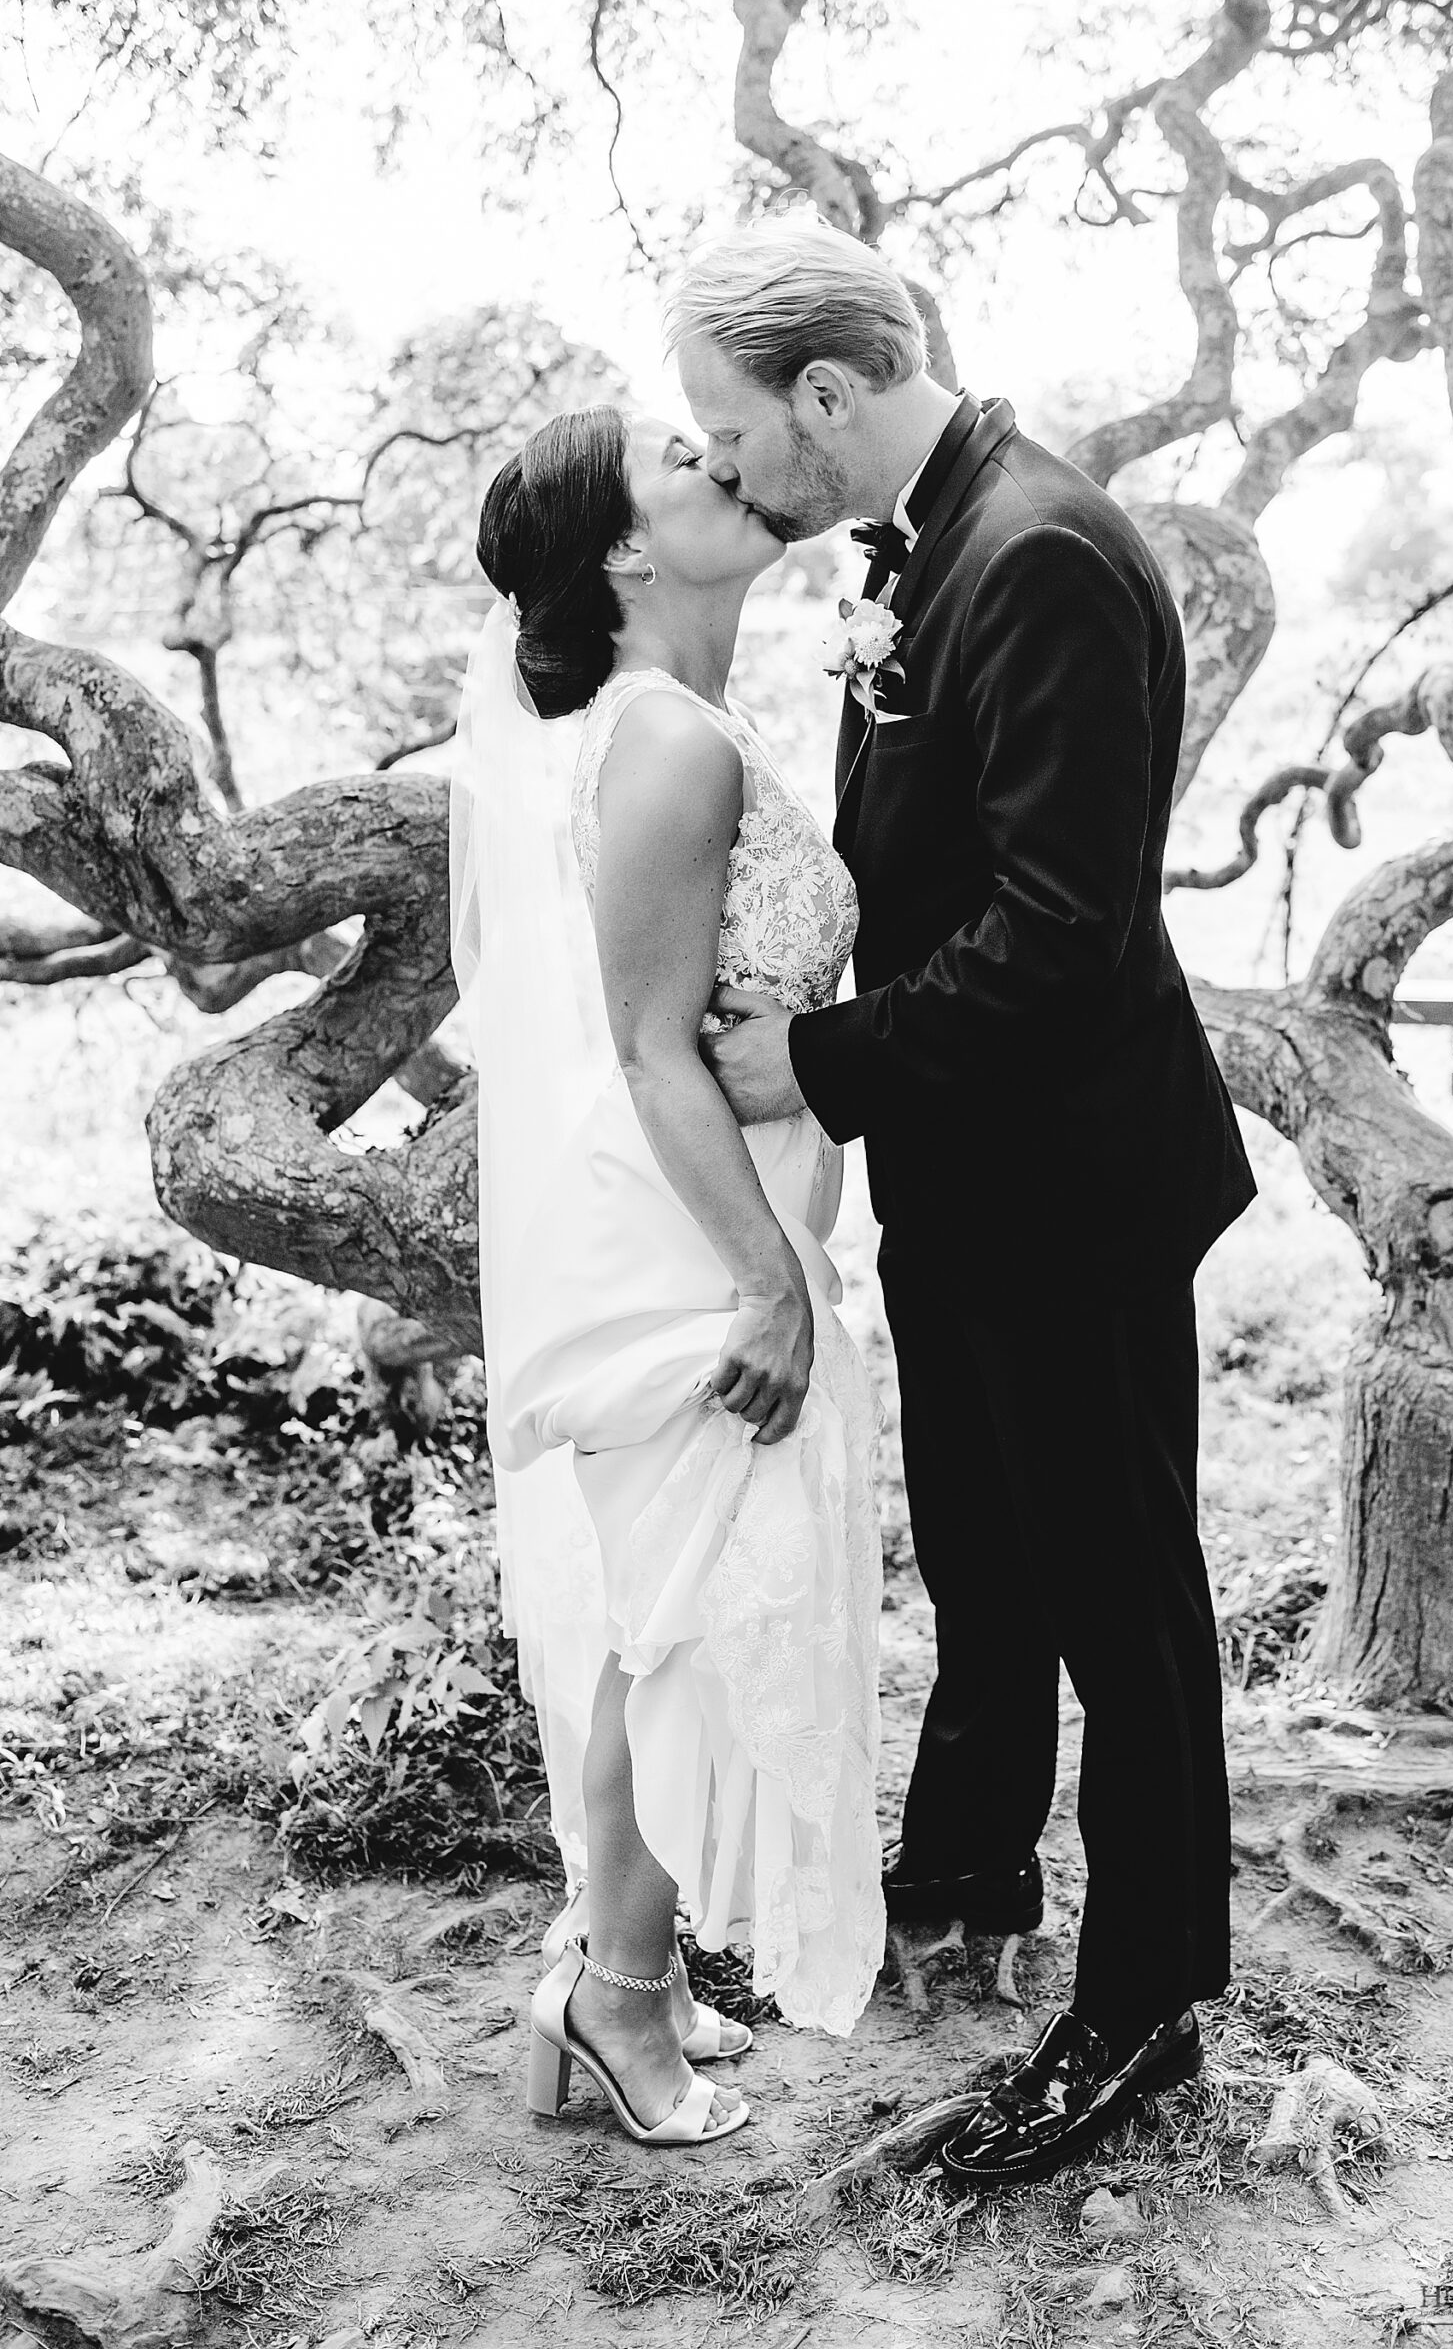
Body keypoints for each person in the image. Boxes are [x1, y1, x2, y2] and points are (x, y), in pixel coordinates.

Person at [671, 225, 1257, 2185]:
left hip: (1072, 1183)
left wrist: (816, 1063)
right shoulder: (928, 547)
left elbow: (1057, 931)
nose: (726, 465)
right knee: (991, 1562)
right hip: (968, 1171)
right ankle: (963, 1870)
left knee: (1118, 1598)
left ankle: (1144, 2005)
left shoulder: (1043, 554)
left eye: (730, 426)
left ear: (828, 391)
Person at [448, 407, 885, 2151]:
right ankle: (615, 1997)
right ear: (626, 549)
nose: (724, 464)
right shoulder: (664, 744)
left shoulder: (695, 724)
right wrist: (769, 1285)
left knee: (679, 1605)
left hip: (725, 1200)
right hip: (688, 1233)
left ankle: (623, 1958)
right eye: (681, 462)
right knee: (677, 1620)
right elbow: (643, 1048)